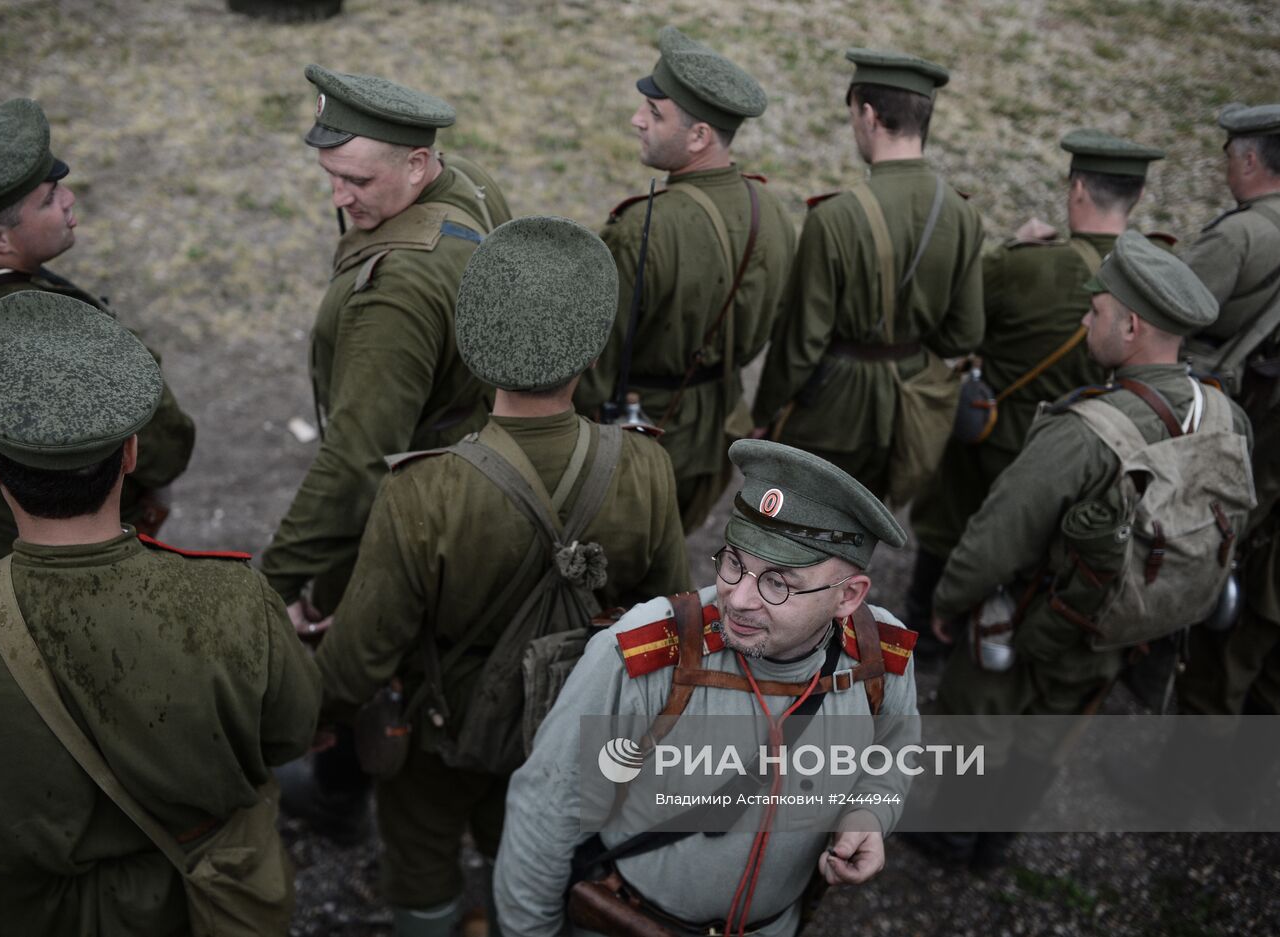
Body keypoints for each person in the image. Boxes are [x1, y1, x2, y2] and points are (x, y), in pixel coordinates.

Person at [0, 292, 320, 936]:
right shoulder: (233, 602)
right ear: (132, 454)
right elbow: (287, 734)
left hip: (31, 912)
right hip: (197, 903)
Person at [314, 215, 691, 937]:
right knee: (536, 851)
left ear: (472, 343)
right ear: (589, 349)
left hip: (440, 723)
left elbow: (363, 651)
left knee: (421, 855)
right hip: (573, 725)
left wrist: (312, 717)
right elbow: (666, 621)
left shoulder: (424, 489)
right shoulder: (645, 467)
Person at [919, 232, 1251, 868]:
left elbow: (998, 536)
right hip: (1132, 622)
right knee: (1054, 733)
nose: (1084, 320)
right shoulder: (1225, 416)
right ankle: (994, 845)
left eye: (1095, 311)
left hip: (1045, 617)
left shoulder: (1087, 431)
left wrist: (949, 601)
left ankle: (951, 836)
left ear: (1130, 327)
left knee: (985, 715)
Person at [495, 438, 919, 937]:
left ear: (848, 596)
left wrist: (871, 811)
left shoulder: (880, 654)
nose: (737, 598)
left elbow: (894, 750)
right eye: (734, 562)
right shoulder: (648, 652)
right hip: (629, 922)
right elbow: (546, 810)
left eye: (777, 582)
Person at [0, 97, 196, 577]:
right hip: (37, 564)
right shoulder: (67, 337)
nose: (69, 199)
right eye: (48, 199)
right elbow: (165, 447)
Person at [261, 66, 512, 627]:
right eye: (330, 175)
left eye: (358, 181)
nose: (338, 195)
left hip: (414, 495)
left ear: (417, 163)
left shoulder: (396, 290)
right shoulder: (469, 179)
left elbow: (358, 463)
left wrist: (273, 581)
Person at [907, 129, 1166, 652]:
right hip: (1102, 450)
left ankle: (931, 628)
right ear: (1138, 197)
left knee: (950, 523)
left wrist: (1013, 247)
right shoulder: (1159, 280)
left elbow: (960, 323)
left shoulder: (1027, 264)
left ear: (1076, 191)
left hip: (998, 443)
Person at [572, 25, 796, 533]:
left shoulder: (643, 229)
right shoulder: (774, 215)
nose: (636, 120)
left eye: (654, 113)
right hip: (718, 436)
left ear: (699, 136)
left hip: (639, 439)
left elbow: (595, 360)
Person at [752, 48, 984, 505]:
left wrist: (764, 411)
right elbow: (965, 333)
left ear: (870, 114)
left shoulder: (835, 217)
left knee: (795, 534)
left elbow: (801, 343)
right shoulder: (963, 216)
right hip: (909, 409)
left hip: (832, 413)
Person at [1176, 103, 1280, 717]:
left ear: (1247, 159)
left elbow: (1175, 309)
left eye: (1227, 156)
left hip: (1232, 414)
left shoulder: (1241, 234)